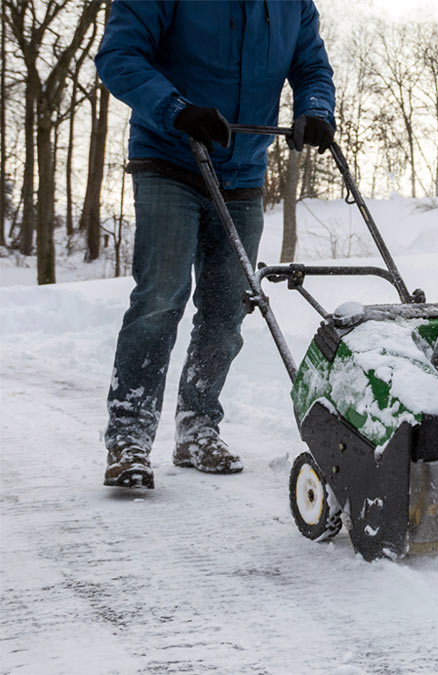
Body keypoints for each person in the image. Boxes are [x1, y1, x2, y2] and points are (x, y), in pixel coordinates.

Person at [95, 0, 336, 489]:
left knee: (229, 308)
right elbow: (118, 55)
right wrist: (175, 110)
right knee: (160, 298)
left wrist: (314, 109)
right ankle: (129, 438)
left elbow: (311, 65)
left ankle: (198, 427)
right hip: (168, 156)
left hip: (243, 169)